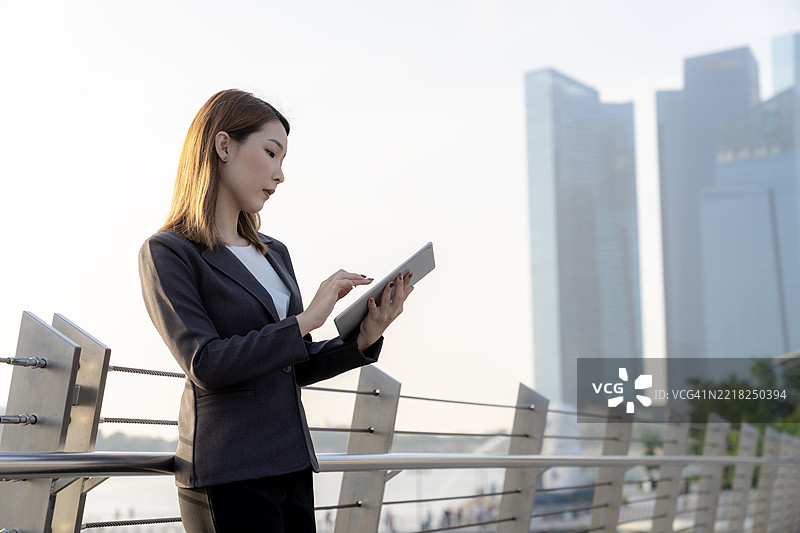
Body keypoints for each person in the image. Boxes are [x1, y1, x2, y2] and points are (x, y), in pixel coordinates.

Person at [138, 89, 413, 532]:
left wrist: (361, 338)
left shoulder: (274, 254)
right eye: (271, 153)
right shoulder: (169, 251)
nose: (280, 174)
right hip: (229, 472)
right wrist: (306, 320)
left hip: (292, 465)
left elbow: (291, 366)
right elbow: (203, 362)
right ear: (223, 146)